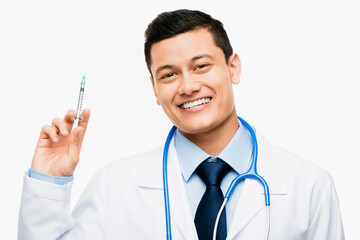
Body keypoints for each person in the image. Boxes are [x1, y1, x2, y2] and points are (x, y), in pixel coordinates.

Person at [18, 9, 345, 240]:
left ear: (234, 68)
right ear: (155, 90)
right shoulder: (115, 186)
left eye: (201, 66)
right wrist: (49, 182)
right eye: (169, 74)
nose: (187, 86)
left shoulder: (309, 186)